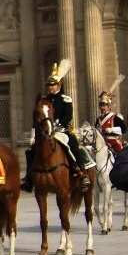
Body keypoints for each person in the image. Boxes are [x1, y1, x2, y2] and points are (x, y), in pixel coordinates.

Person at [23, 60, 94, 193]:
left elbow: (68, 116)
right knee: (31, 151)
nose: (50, 87)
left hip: (61, 130)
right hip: (46, 131)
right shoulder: (43, 101)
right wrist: (34, 132)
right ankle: (29, 178)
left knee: (72, 144)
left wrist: (56, 123)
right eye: (48, 85)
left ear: (58, 86)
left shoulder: (65, 99)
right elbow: (37, 117)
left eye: (53, 85)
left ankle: (80, 171)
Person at [96, 87, 126, 152]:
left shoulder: (115, 117)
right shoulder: (98, 119)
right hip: (101, 144)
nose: (102, 107)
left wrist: (112, 129)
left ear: (109, 106)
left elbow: (124, 129)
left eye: (104, 105)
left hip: (114, 144)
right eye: (101, 105)